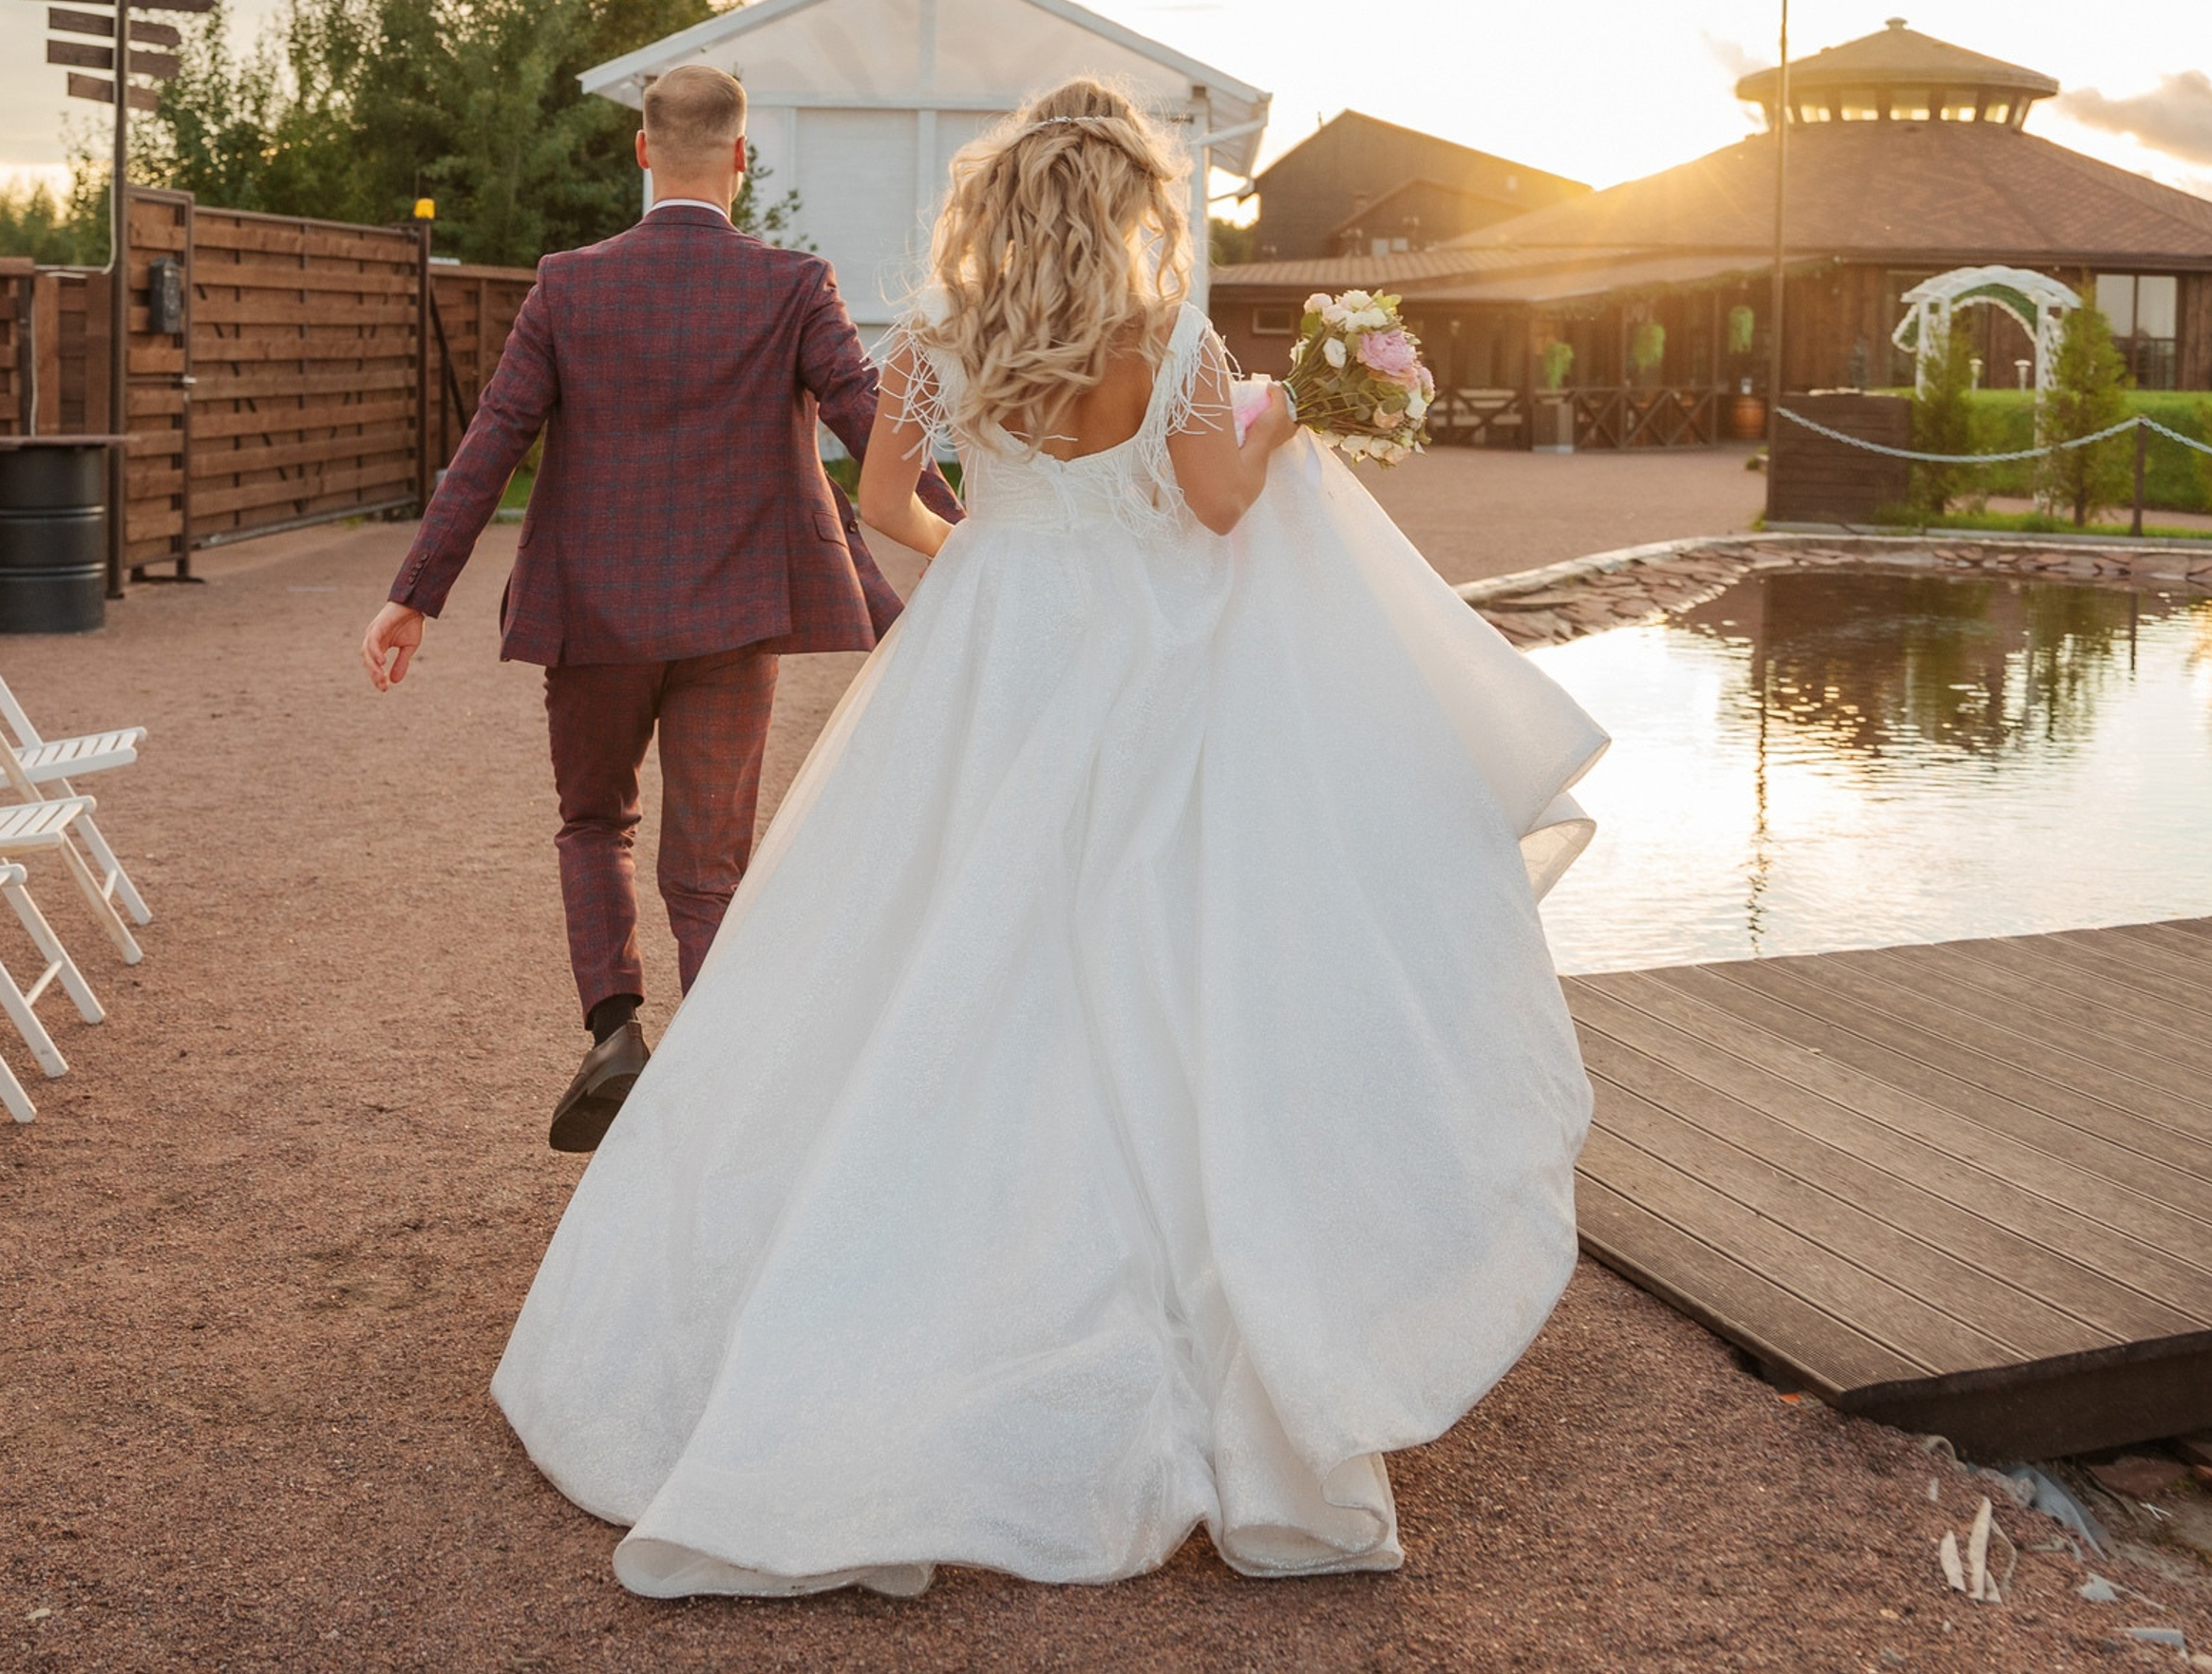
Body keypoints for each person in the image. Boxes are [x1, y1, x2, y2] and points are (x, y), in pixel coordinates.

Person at [492, 77, 1608, 1593]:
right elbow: (1215, 509)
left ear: (1002, 204)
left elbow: (887, 501)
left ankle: (867, 1327)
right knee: (1139, 963)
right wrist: (1287, 424)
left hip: (987, 651)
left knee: (924, 953)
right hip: (1142, 663)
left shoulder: (942, 340)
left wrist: (995, 555)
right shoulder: (1174, 344)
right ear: (1129, 204)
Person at [358, 63, 957, 1152]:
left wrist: (416, 596)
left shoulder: (568, 283)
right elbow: (866, 417)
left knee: (593, 821)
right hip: (735, 619)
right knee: (710, 868)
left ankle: (616, 1030)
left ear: (642, 151)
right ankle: (724, 1091)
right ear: (741, 157)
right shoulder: (791, 282)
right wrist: (970, 538)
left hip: (592, 617)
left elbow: (492, 441)